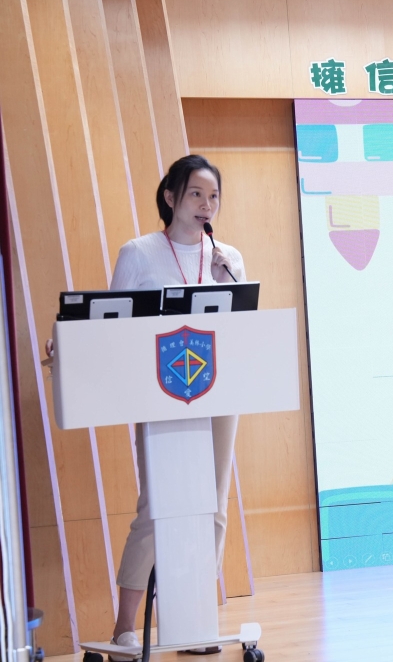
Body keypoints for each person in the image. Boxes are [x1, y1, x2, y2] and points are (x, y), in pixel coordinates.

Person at [109, 155, 244, 657]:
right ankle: (124, 626)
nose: (206, 205)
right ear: (170, 197)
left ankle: (193, 620)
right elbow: (109, 322)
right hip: (160, 390)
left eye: (214, 196)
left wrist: (226, 276)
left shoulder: (227, 258)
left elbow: (244, 326)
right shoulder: (139, 253)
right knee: (157, 507)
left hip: (219, 391)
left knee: (213, 505)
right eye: (196, 194)